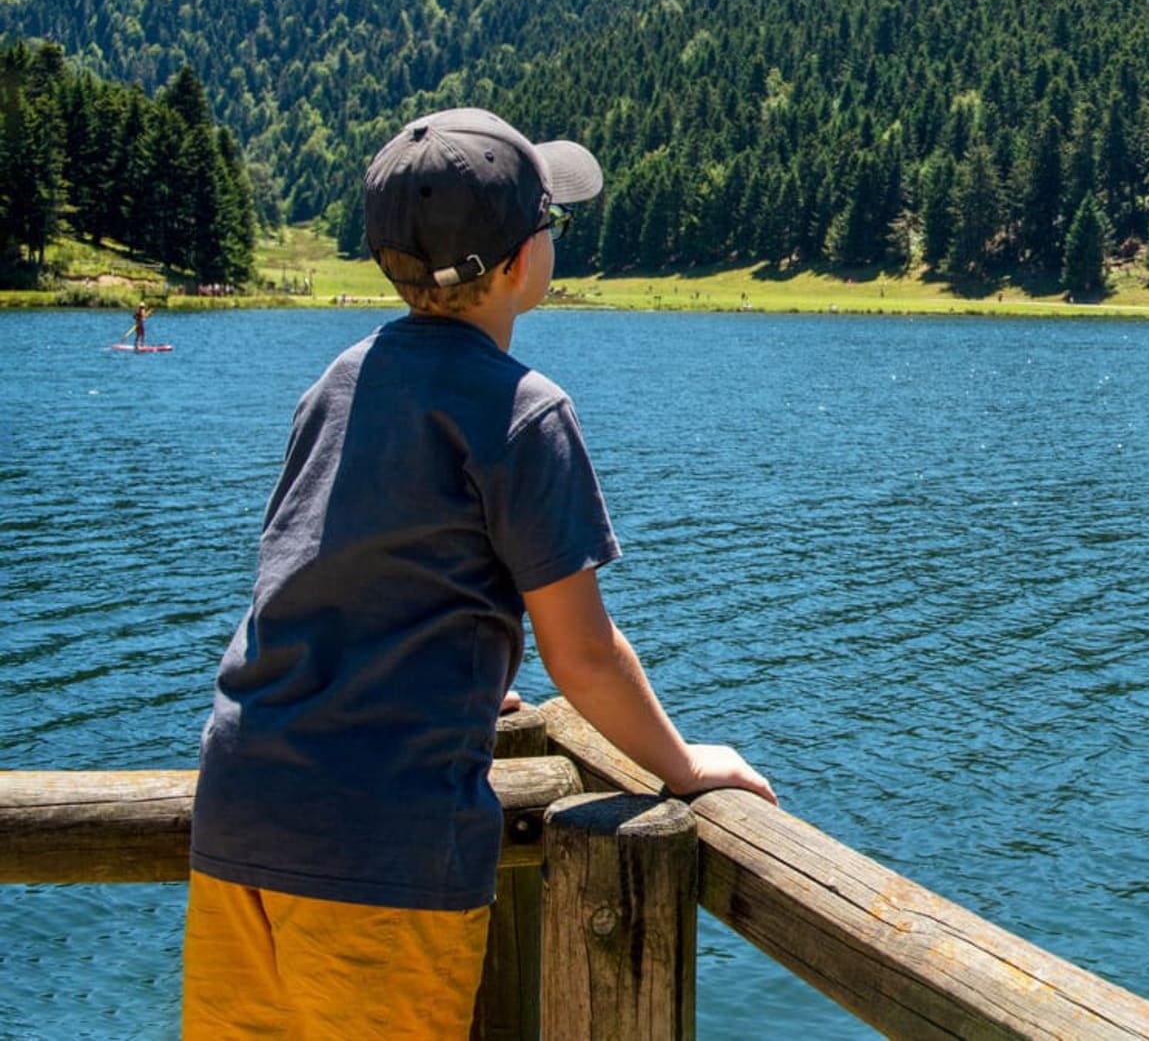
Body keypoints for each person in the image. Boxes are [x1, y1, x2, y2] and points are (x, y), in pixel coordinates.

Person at [184, 107, 775, 1038]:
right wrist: (683, 764)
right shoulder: (523, 410)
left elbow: (313, 579)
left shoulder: (340, 378)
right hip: (379, 838)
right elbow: (580, 652)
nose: (554, 240)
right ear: (515, 264)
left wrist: (451, 679)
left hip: (241, 808)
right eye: (552, 222)